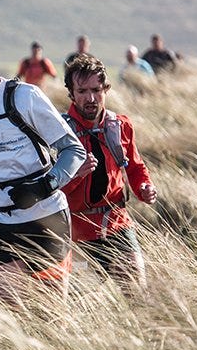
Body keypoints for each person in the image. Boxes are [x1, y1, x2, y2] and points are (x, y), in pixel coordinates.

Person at [0, 28, 86, 303]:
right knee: (8, 310)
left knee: (51, 311)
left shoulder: (25, 96)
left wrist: (43, 186)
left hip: (45, 216)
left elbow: (73, 150)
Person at [59, 54, 158, 289]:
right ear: (71, 94)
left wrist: (144, 188)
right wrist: (76, 175)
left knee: (136, 290)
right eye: (82, 91)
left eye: (96, 90)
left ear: (106, 89)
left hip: (117, 223)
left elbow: (135, 167)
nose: (90, 98)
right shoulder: (59, 132)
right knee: (84, 299)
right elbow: (49, 188)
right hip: (76, 231)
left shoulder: (120, 125)